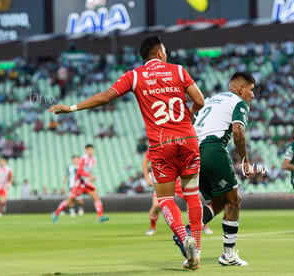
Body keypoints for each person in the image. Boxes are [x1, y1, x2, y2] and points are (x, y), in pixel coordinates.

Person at [48, 36, 205, 270]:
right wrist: (188, 115)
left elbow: (106, 96)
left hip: (161, 144)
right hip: (188, 138)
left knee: (164, 199)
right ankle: (198, 250)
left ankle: (184, 239)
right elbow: (200, 101)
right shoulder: (180, 72)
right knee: (192, 195)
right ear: (160, 53)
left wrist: (71, 108)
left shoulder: (134, 75)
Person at [192, 72, 255, 266]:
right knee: (234, 201)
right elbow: (238, 131)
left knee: (218, 202)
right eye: (251, 90)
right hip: (212, 149)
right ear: (241, 89)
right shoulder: (238, 102)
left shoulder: (211, 101)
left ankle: (187, 232)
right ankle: (228, 255)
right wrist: (244, 160)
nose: (252, 95)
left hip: (192, 152)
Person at [142, 150, 213, 236]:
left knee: (193, 202)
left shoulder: (178, 143)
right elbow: (145, 161)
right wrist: (147, 178)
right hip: (164, 179)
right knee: (156, 205)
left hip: (178, 180)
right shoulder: (157, 144)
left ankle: (202, 224)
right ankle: (152, 227)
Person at [51, 145, 109, 223]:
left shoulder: (94, 159)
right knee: (70, 201)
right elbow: (79, 172)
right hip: (79, 183)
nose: (91, 151)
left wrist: (89, 179)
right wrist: (89, 176)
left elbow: (88, 170)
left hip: (87, 183)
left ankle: (100, 216)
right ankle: (55, 213)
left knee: (96, 197)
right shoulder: (82, 159)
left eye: (92, 149)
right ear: (86, 150)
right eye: (89, 150)